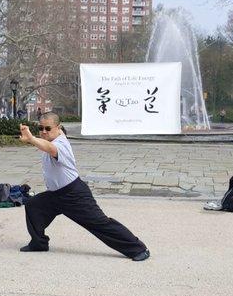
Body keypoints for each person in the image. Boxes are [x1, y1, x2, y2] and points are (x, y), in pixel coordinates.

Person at [18, 112, 150, 261]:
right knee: (33, 205)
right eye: (40, 128)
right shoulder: (53, 138)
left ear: (58, 128)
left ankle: (138, 249)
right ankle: (39, 244)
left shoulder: (61, 144)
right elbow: (47, 144)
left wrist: (31, 139)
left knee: (101, 224)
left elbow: (50, 148)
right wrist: (33, 138)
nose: (43, 132)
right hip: (55, 195)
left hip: (74, 195)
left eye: (48, 128)